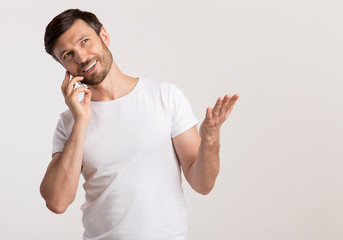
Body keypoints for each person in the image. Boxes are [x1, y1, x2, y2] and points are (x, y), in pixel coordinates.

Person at [40, 8, 239, 240]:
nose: (81, 58)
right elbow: (57, 202)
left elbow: (203, 184)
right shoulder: (69, 122)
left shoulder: (165, 96)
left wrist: (210, 139)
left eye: (85, 41)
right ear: (64, 68)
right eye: (68, 55)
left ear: (103, 36)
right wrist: (82, 121)